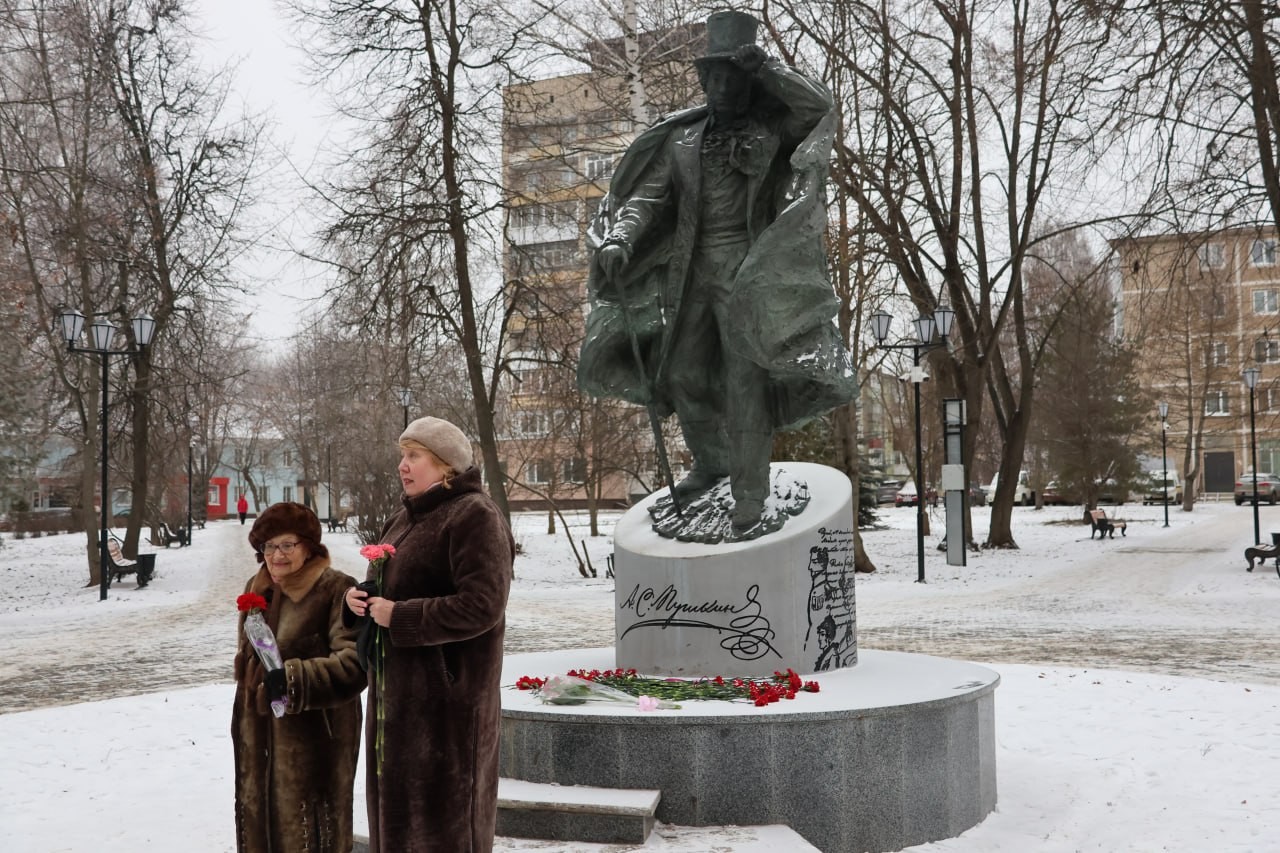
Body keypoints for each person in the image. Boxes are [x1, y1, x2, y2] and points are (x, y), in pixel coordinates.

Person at [579, 9, 856, 539]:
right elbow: (648, 197)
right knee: (682, 371)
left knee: (744, 378)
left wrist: (771, 69)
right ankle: (712, 464)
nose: (723, 87)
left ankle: (750, 491)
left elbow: (819, 108)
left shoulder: (771, 127)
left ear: (746, 80)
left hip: (750, 270)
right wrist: (621, 237)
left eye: (734, 76)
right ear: (704, 81)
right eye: (715, 77)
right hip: (691, 270)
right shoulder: (682, 140)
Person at [343, 416, 514, 853]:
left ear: (446, 467)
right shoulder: (404, 516)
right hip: (396, 706)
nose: (403, 465)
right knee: (400, 826)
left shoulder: (475, 515)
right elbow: (395, 590)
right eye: (403, 455)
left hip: (447, 711)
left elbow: (483, 606)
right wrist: (361, 600)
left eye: (414, 456)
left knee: (443, 830)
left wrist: (400, 616)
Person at [231, 502, 366, 853]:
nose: (276, 555)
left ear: (308, 546)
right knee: (258, 829)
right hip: (256, 740)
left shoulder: (335, 589)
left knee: (310, 836)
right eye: (268, 546)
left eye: (287, 545)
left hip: (314, 743)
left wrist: (294, 680)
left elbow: (355, 665)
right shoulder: (256, 589)